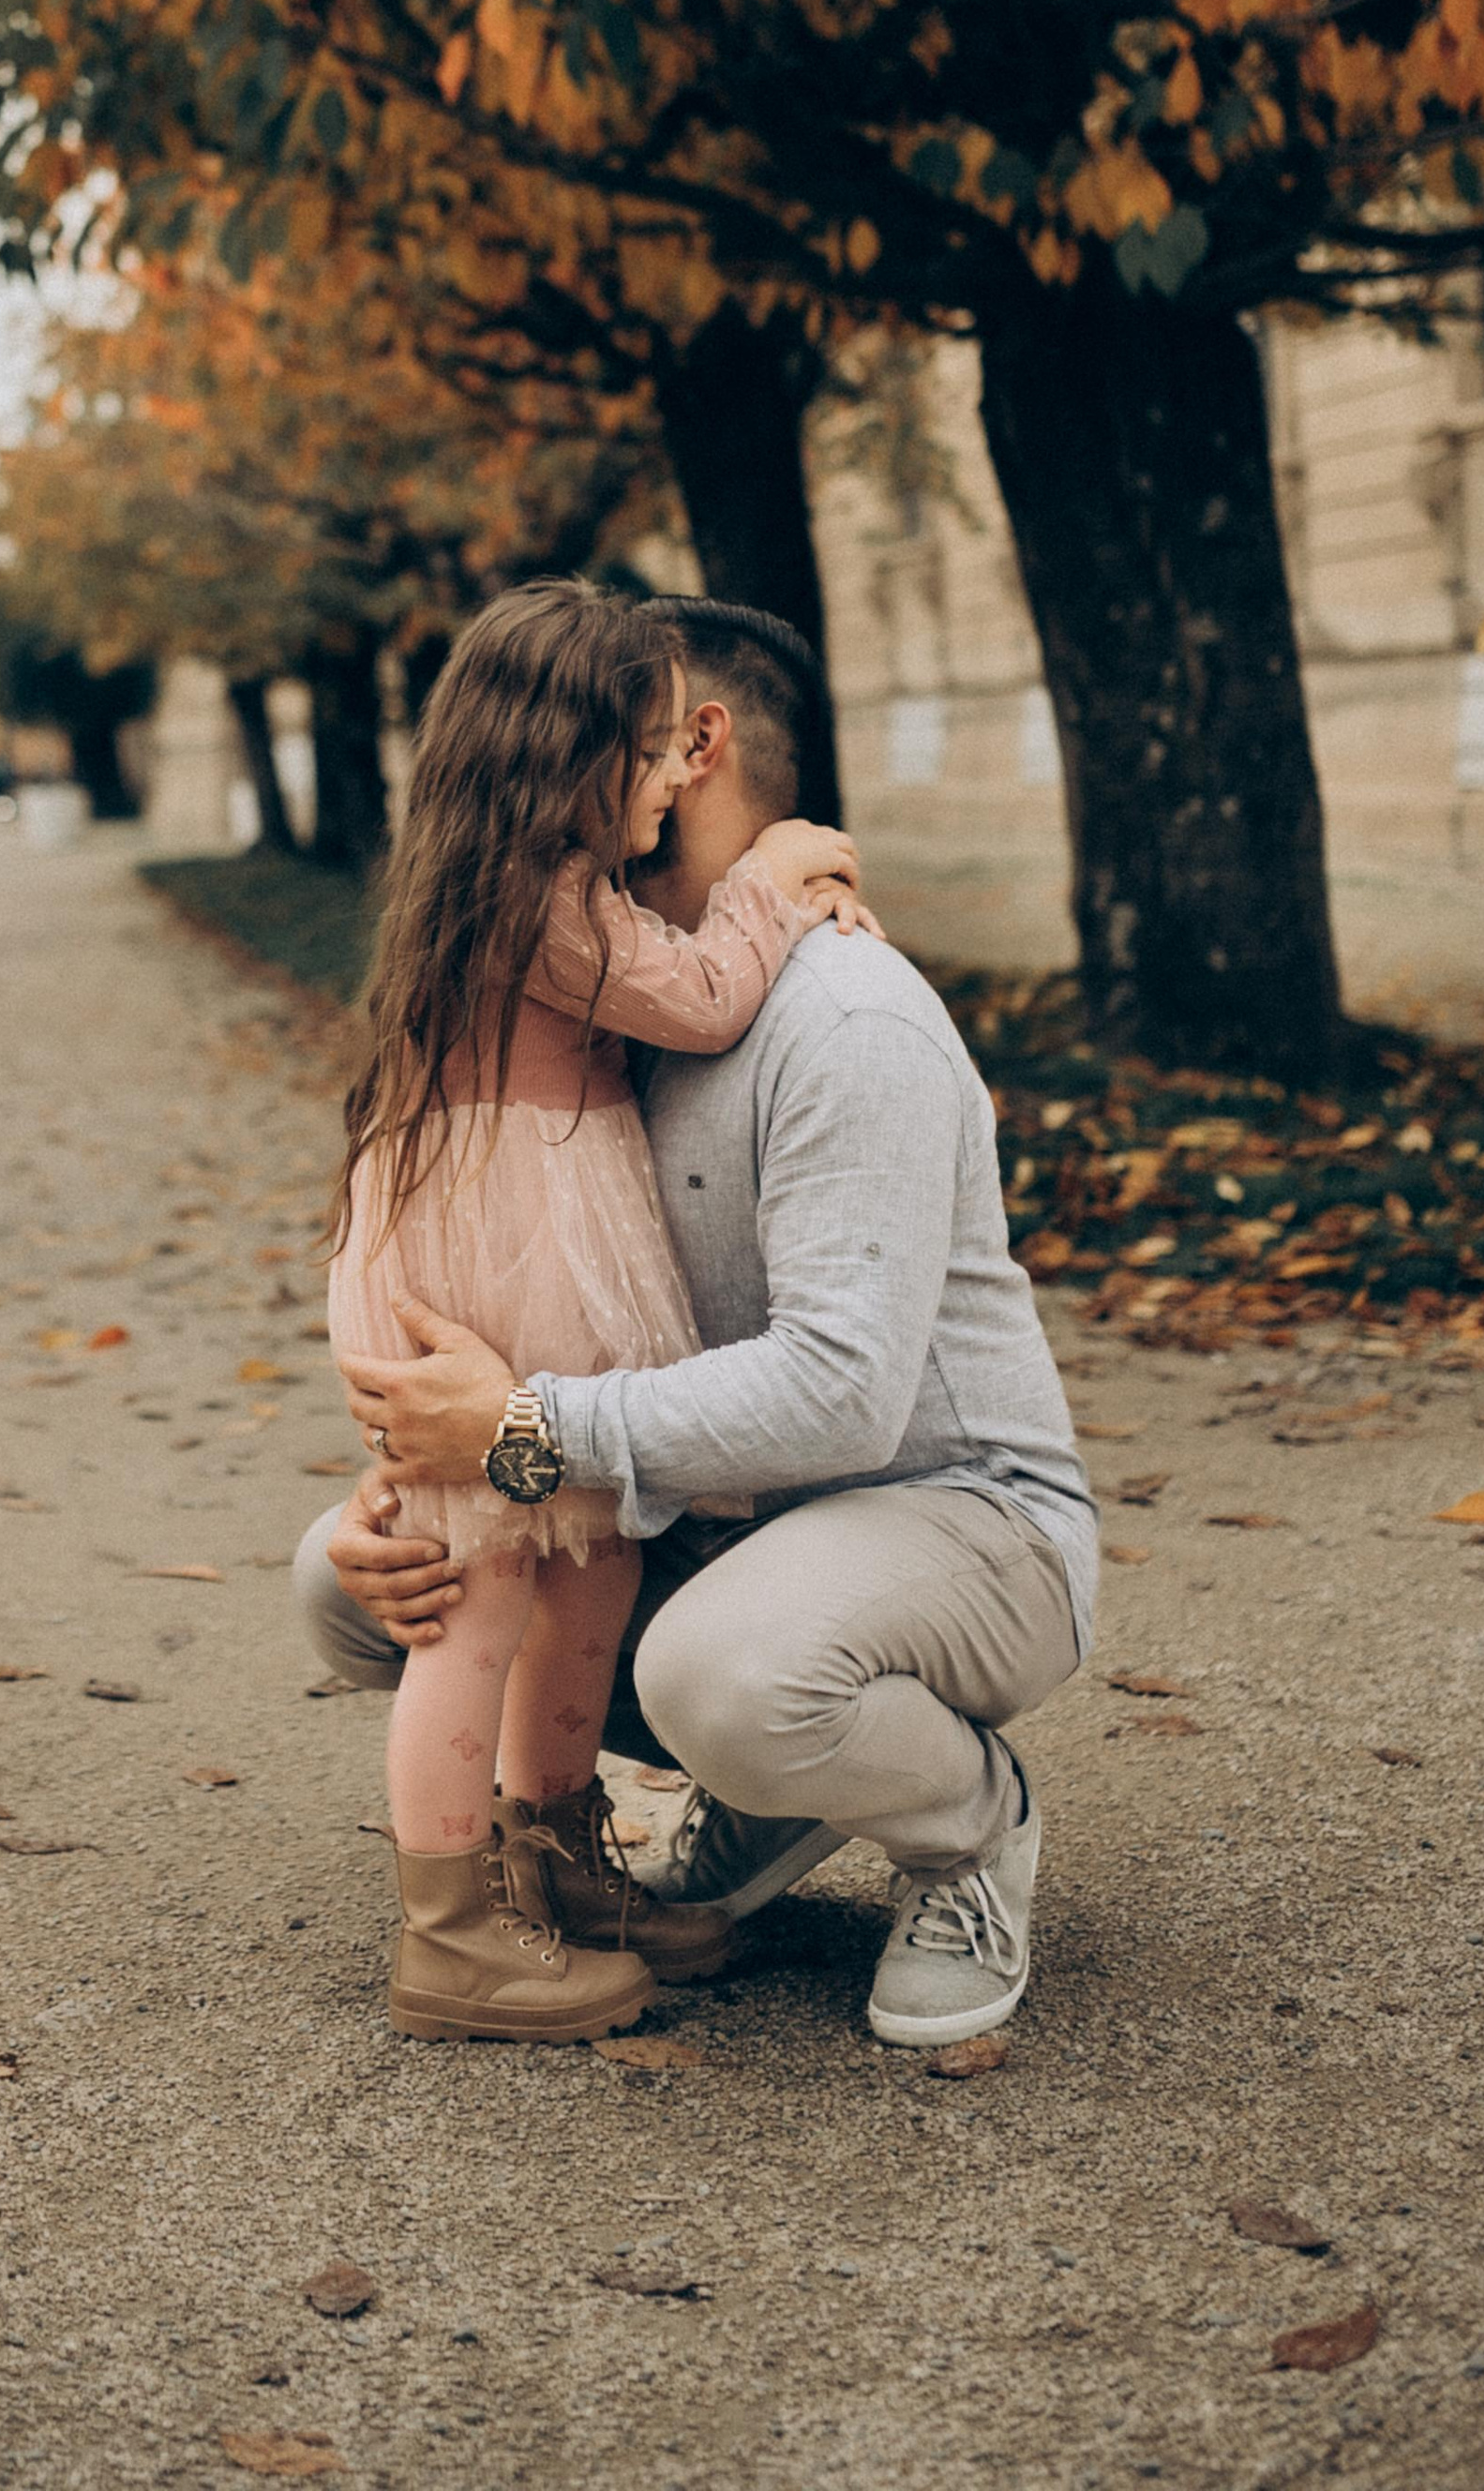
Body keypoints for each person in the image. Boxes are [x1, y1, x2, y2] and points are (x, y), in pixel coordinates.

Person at [309, 596, 1097, 2052]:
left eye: (665, 746)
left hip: (956, 1520)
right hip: (736, 1516)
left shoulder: (835, 1016)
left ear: (698, 742)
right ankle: (673, 1823)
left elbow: (845, 1400)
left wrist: (524, 1433)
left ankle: (969, 1830)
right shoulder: (612, 983)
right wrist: (415, 1468)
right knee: (364, 1575)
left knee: (718, 1668)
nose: (657, 778)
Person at [325, 581, 872, 2043]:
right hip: (520, 1256)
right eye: (647, 753)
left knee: (588, 1564)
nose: (669, 778)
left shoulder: (515, 879)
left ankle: (553, 1862)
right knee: (489, 1591)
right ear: (561, 762)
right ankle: (450, 1935)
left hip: (527, 1239)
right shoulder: (541, 895)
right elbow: (700, 998)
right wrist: (778, 873)